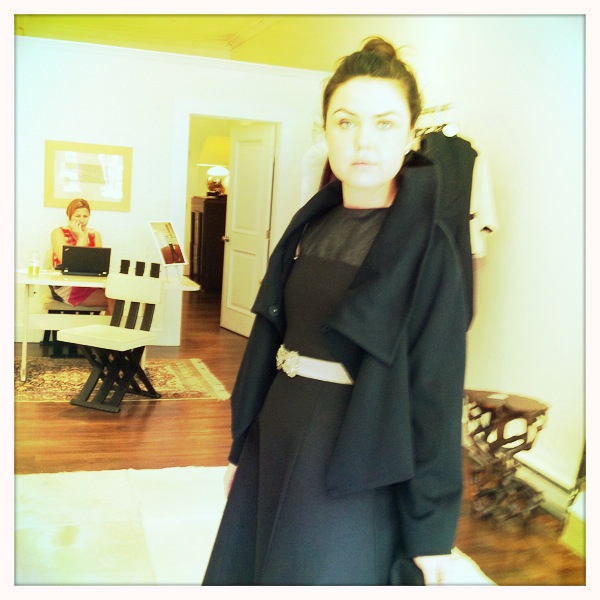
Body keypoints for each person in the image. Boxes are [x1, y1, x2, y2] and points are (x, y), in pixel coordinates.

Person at [203, 37, 468, 586]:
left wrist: (431, 531)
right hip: (277, 428)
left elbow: (435, 391)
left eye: (385, 124)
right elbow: (268, 341)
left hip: (356, 452)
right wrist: (240, 447)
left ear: (411, 135)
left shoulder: (430, 247)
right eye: (346, 122)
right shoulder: (309, 224)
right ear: (325, 130)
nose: (363, 141)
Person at [50, 198, 114, 315]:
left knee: (116, 292)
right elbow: (70, 264)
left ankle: (107, 325)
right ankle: (108, 326)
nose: (82, 220)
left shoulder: (95, 235)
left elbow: (99, 265)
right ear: (69, 216)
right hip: (66, 285)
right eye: (77, 216)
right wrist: (82, 238)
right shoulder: (58, 233)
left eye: (85, 216)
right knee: (114, 300)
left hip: (90, 282)